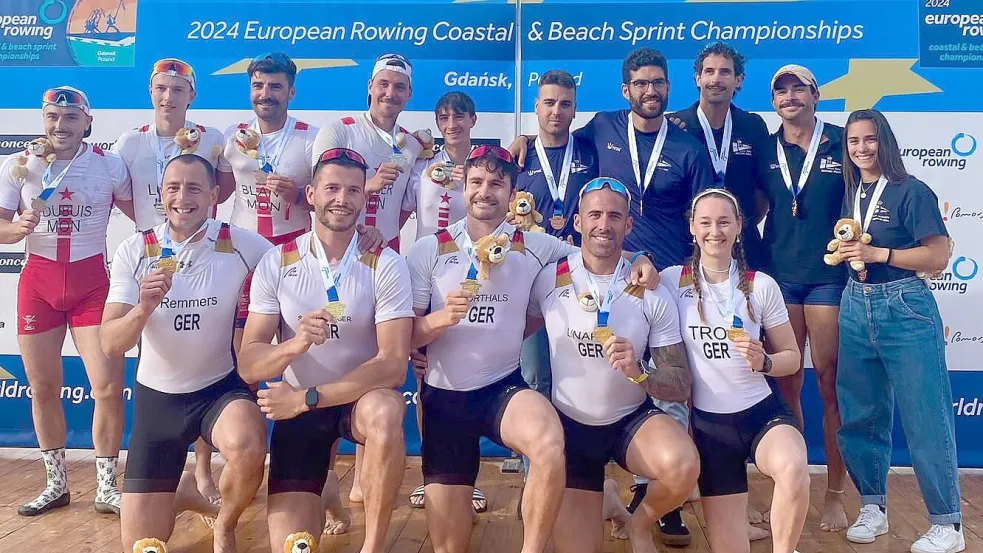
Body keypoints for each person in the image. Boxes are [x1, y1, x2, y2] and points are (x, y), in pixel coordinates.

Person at [405, 145, 659, 553]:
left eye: (497, 183)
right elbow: (405, 337)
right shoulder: (427, 250)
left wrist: (643, 256)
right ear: (463, 188)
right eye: (477, 182)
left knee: (547, 440)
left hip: (500, 389)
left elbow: (598, 253)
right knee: (448, 547)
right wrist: (439, 321)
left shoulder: (537, 245)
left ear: (512, 192)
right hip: (444, 398)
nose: (485, 191)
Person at [239, 147, 412, 553]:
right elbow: (249, 362)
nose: (342, 198)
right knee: (291, 545)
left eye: (353, 190)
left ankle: (372, 545)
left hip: (354, 402)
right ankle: (328, 489)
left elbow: (392, 365)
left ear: (364, 199)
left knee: (387, 413)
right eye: (332, 187)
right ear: (311, 194)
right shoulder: (277, 261)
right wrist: (294, 346)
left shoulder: (385, 263)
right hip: (300, 413)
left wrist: (307, 397)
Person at [101, 154, 272, 553]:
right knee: (142, 545)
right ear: (161, 194)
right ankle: (183, 493)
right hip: (157, 406)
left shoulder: (241, 243)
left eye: (195, 188)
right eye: (173, 187)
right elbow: (111, 343)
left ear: (214, 194)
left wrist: (365, 237)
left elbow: (306, 262)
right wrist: (143, 308)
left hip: (218, 391)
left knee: (249, 445)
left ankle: (224, 525)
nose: (183, 197)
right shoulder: (135, 250)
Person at [527, 177, 699, 553]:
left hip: (629, 422)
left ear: (629, 225)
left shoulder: (649, 289)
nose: (604, 225)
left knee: (683, 465)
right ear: (577, 222)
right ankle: (603, 496)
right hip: (570, 428)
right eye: (595, 215)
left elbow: (680, 383)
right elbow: (509, 332)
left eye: (614, 217)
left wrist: (639, 370)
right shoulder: (550, 278)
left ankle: (639, 523)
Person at [0, 86, 134, 517]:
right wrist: (14, 229)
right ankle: (56, 484)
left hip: (91, 286)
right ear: (44, 120)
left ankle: (107, 487)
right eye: (53, 117)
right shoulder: (20, 166)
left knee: (108, 387)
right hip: (37, 285)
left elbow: (145, 216)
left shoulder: (110, 165)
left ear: (87, 122)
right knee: (41, 388)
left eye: (70, 118)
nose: (61, 126)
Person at [835, 109, 964, 553]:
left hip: (904, 306)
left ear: (885, 141)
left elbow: (937, 257)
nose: (862, 148)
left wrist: (881, 253)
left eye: (869, 139)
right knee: (861, 415)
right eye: (854, 141)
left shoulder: (913, 191)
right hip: (855, 303)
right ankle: (874, 506)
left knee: (925, 416)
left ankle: (948, 524)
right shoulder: (853, 192)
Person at [663, 188, 809, 553]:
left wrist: (766, 362)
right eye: (706, 222)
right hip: (712, 430)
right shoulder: (670, 281)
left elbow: (792, 355)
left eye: (724, 222)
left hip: (762, 413)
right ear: (692, 229)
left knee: (793, 467)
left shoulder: (761, 285)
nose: (716, 231)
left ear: (739, 227)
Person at [112, 56, 227, 507]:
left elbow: (219, 191)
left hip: (201, 256)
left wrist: (186, 223)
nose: (168, 97)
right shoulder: (129, 142)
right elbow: (121, 197)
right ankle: (160, 465)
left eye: (178, 90)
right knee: (155, 356)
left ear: (191, 96)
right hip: (153, 255)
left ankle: (201, 472)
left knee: (199, 355)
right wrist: (153, 232)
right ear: (151, 92)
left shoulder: (211, 138)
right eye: (161, 88)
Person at [756, 64, 849, 531]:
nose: (790, 97)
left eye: (799, 89)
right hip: (779, 278)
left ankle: (834, 492)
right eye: (781, 91)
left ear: (816, 95)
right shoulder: (763, 148)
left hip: (828, 278)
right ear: (773, 101)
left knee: (829, 384)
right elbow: (751, 207)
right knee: (786, 385)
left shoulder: (842, 140)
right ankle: (790, 487)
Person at [402, 91, 488, 513]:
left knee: (467, 375)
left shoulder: (486, 165)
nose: (451, 122)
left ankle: (468, 481)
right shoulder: (419, 162)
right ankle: (429, 474)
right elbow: (396, 209)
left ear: (474, 119)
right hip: (426, 277)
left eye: (459, 115)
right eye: (443, 116)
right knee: (424, 379)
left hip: (475, 277)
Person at [514, 69, 598, 426]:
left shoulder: (593, 153)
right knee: (534, 375)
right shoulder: (517, 157)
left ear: (575, 110)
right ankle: (536, 462)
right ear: (536, 106)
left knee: (580, 373)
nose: (556, 111)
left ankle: (579, 461)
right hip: (531, 278)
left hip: (579, 279)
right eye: (549, 102)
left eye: (565, 104)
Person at [669, 41, 770, 272]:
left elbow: (762, 192)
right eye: (709, 71)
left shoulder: (752, 126)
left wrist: (736, 222)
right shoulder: (676, 126)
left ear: (738, 80)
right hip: (689, 247)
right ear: (697, 78)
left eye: (725, 71)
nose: (716, 79)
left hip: (745, 246)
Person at [311, 52, 423, 253]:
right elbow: (318, 195)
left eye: (400, 87)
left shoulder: (413, 145)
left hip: (388, 248)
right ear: (370, 86)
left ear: (409, 93)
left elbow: (404, 207)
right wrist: (369, 185)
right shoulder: (338, 131)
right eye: (383, 84)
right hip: (338, 246)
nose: (390, 93)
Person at [217, 52, 317, 246]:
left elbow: (326, 201)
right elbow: (218, 195)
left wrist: (296, 196)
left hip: (292, 244)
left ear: (291, 92)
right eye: (258, 86)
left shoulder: (311, 138)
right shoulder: (233, 135)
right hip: (240, 241)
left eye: (275, 87)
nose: (265, 94)